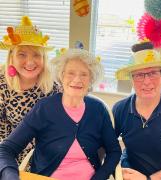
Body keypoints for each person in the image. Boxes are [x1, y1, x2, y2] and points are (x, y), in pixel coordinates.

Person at [0, 48, 121, 180]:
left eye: (84, 74)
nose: (77, 79)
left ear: (91, 80)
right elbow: (6, 149)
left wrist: (100, 177)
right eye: (70, 73)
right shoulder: (44, 108)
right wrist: (10, 175)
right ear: (61, 76)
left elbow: (114, 151)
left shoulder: (98, 109)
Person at [113, 41, 161, 180]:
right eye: (138, 75)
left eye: (153, 73)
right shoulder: (120, 109)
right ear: (131, 79)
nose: (147, 81)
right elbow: (107, 146)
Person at [0, 16, 60, 165]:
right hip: (11, 150)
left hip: (46, 152)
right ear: (11, 57)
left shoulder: (53, 87)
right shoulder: (2, 83)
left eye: (36, 55)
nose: (30, 62)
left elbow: (59, 127)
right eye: (22, 54)